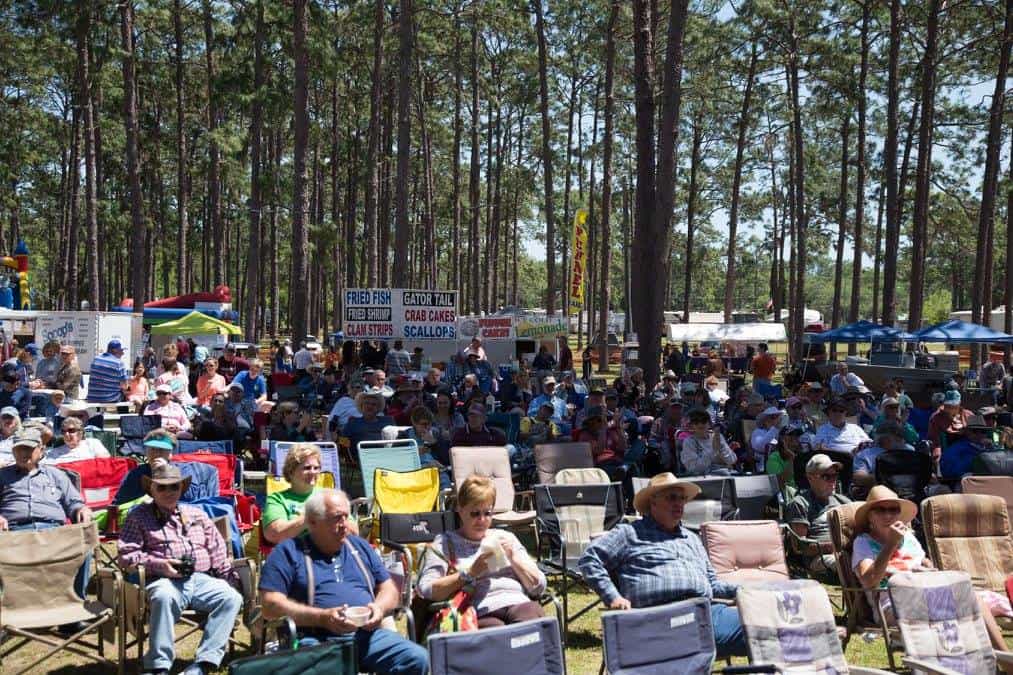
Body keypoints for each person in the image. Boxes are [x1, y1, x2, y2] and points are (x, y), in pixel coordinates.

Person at [259, 489, 429, 675]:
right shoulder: (288, 552)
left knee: (417, 658)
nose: (345, 525)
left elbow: (389, 588)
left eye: (346, 517)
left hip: (366, 636)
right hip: (314, 639)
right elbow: (270, 605)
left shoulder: (359, 546)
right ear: (313, 522)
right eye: (336, 518)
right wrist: (322, 618)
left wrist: (378, 608)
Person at [578, 473, 746, 658]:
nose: (679, 503)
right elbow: (590, 559)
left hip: (707, 614)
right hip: (660, 618)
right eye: (672, 497)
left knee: (765, 626)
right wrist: (613, 597)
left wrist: (745, 591)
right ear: (653, 502)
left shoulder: (692, 538)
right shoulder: (630, 533)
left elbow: (713, 585)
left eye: (682, 498)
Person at [852, 485, 1013, 672]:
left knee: (973, 598)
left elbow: (922, 562)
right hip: (893, 602)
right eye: (881, 510)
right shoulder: (862, 542)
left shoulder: (909, 539)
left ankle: (1004, 661)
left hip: (927, 591)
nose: (888, 515)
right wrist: (890, 544)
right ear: (870, 516)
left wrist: (928, 568)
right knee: (964, 604)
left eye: (893, 509)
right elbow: (868, 581)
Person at [117, 462, 242, 675]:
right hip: (161, 580)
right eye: (162, 487)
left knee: (231, 598)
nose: (168, 492)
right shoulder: (138, 516)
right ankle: (158, 666)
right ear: (152, 490)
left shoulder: (197, 515)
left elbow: (217, 550)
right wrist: (160, 565)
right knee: (164, 596)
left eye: (174, 487)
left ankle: (204, 663)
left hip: (200, 578)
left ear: (181, 489)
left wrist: (229, 578)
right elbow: (127, 557)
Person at [418, 475, 546, 627]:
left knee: (531, 616)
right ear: (460, 509)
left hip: (517, 601)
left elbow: (539, 587)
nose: (482, 520)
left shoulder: (505, 538)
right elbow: (426, 589)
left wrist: (514, 559)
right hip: (477, 609)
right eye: (475, 513)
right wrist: (469, 573)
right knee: (493, 632)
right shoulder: (446, 543)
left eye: (487, 513)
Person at [0, 426, 94, 601]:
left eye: (28, 448)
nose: (23, 453)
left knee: (83, 546)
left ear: (41, 450)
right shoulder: (3, 476)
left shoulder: (56, 475)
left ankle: (73, 608)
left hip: (53, 532)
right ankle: (5, 611)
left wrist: (81, 509)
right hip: (14, 534)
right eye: (19, 449)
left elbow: (74, 502)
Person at [114, 429, 220, 505]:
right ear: (146, 451)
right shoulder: (136, 473)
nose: (156, 453)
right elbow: (121, 500)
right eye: (152, 449)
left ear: (171, 453)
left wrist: (165, 472)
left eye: (161, 450)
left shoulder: (183, 470)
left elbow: (190, 498)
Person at [786, 454, 851, 575]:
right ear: (810, 478)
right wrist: (834, 546)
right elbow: (800, 547)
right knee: (847, 562)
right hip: (819, 557)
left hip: (847, 550)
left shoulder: (843, 501)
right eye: (827, 476)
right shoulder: (800, 504)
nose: (833, 481)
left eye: (834, 476)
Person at [262, 443, 326, 546]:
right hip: (296, 556)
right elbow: (273, 535)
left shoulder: (328, 496)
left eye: (316, 468)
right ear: (291, 471)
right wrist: (307, 519)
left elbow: (353, 532)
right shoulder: (277, 499)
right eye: (307, 468)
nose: (313, 472)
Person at [852, 422, 913, 498]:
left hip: (909, 493)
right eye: (898, 437)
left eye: (901, 437)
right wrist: (887, 479)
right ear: (885, 439)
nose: (902, 440)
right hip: (879, 495)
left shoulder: (909, 451)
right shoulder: (865, 454)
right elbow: (859, 477)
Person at [680, 408, 736, 475]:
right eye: (696, 421)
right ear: (691, 425)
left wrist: (721, 450)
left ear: (709, 423)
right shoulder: (689, 442)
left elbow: (732, 460)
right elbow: (693, 468)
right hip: (703, 479)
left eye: (703, 420)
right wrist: (713, 451)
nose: (700, 424)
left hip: (724, 474)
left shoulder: (717, 437)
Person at [341, 387, 394, 456]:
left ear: (378, 408)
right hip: (362, 460)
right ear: (361, 406)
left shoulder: (387, 422)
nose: (369, 406)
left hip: (386, 456)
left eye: (373, 404)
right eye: (366, 403)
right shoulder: (352, 423)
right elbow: (343, 444)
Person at [927, 389, 974, 465]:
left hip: (968, 447)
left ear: (959, 404)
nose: (950, 407)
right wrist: (937, 452)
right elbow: (933, 438)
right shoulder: (936, 417)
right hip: (948, 449)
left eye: (954, 405)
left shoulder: (968, 414)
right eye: (948, 405)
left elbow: (977, 433)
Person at [940, 415, 995, 479]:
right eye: (975, 431)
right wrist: (978, 457)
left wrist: (992, 450)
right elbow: (948, 471)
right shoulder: (956, 448)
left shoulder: (989, 447)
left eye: (983, 431)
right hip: (964, 482)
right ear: (967, 432)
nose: (979, 434)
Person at [44, 416, 111, 463]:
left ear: (80, 433)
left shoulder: (93, 444)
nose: (66, 434)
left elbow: (105, 463)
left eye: (71, 430)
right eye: (63, 431)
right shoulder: (53, 452)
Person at [648, 397, 687, 472]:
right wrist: (661, 446)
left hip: (683, 449)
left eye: (678, 408)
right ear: (668, 409)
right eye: (673, 408)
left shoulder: (687, 422)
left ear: (682, 409)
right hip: (665, 454)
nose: (676, 411)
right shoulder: (659, 422)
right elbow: (651, 440)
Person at [767, 426, 804, 498]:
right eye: (790, 435)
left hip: (803, 493)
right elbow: (779, 483)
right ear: (782, 440)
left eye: (796, 436)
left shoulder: (801, 455)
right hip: (787, 495)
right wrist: (792, 459)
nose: (794, 438)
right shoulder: (774, 458)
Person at [749, 406, 783, 472]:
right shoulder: (757, 432)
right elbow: (761, 447)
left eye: (778, 417)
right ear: (764, 420)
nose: (776, 420)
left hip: (781, 461)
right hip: (765, 464)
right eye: (773, 417)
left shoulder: (778, 431)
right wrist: (775, 428)